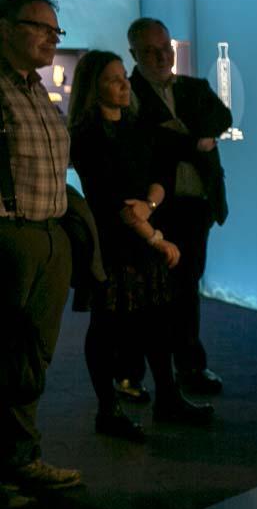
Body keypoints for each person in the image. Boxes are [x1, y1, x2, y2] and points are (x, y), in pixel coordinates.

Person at [69, 50, 215, 437]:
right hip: (112, 245)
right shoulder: (87, 136)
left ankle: (167, 397)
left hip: (141, 238)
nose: (124, 84)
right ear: (93, 86)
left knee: (156, 321)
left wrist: (150, 206)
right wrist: (154, 235)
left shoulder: (136, 127)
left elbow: (158, 176)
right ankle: (108, 409)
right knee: (107, 326)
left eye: (123, 77)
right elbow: (108, 199)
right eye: (114, 79)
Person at [0, 0, 81, 502]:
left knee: (31, 359)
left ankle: (21, 460)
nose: (52, 38)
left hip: (49, 237)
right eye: (41, 27)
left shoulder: (37, 91)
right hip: (9, 237)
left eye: (57, 31)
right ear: (6, 28)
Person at [125, 17, 231, 398]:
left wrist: (178, 132)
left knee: (186, 289)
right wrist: (192, 141)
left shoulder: (193, 87)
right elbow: (149, 143)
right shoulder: (130, 92)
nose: (161, 56)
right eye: (151, 51)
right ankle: (135, 373)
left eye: (165, 48)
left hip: (196, 205)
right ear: (134, 53)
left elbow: (222, 117)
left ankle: (189, 366)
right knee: (150, 294)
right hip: (154, 210)